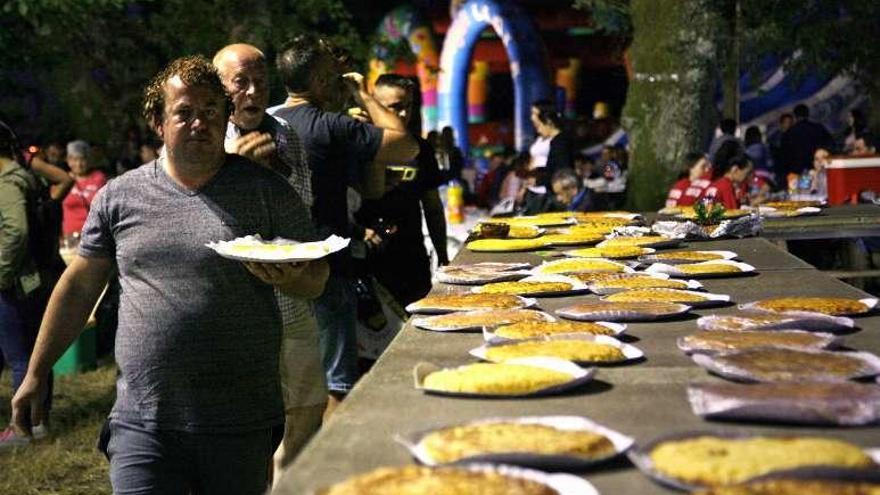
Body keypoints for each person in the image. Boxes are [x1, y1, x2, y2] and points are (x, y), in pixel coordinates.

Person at [11, 55, 329, 494]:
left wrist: (287, 277)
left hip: (241, 420)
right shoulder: (119, 197)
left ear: (226, 118)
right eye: (184, 112)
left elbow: (316, 277)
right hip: (144, 422)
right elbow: (80, 286)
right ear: (158, 123)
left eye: (211, 112)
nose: (199, 123)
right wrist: (36, 372)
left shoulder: (267, 190)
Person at [270, 35, 419, 410]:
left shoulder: (268, 122)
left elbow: (369, 190)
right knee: (337, 384)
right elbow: (405, 144)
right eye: (333, 74)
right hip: (328, 269)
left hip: (275, 269)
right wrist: (361, 92)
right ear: (320, 80)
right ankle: (326, 462)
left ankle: (289, 461)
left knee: (291, 385)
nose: (339, 79)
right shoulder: (329, 126)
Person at [213, 43, 326, 478]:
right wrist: (234, 173)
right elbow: (196, 216)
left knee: (308, 404)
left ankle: (286, 483)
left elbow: (304, 206)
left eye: (261, 80)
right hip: (234, 305)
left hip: (292, 294)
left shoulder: (285, 133)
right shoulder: (203, 141)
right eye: (241, 81)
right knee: (246, 420)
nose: (253, 91)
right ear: (220, 87)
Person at [354, 73, 448, 306]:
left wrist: (443, 255)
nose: (404, 113)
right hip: (367, 262)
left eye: (409, 106)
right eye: (395, 107)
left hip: (412, 258)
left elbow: (433, 206)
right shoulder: (354, 143)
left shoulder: (420, 148)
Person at [0, 120, 53, 448]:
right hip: (34, 278)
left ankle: (21, 429)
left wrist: (1, 273)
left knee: (20, 357)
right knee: (36, 355)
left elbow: (15, 230)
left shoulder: (6, 183)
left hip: (14, 282)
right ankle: (39, 422)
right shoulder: (25, 175)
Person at [61, 140, 107, 236]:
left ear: (88, 160)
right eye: (74, 159)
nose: (78, 164)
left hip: (95, 233)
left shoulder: (99, 178)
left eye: (82, 159)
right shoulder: (63, 179)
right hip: (70, 234)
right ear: (68, 161)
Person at [779, 103, 833, 176]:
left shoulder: (789, 133)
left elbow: (784, 156)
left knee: (803, 187)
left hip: (797, 171)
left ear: (795, 116)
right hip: (817, 169)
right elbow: (830, 145)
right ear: (808, 114)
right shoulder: (818, 128)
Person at [529, 99, 572, 184]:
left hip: (550, 190)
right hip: (536, 188)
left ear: (548, 119)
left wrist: (540, 180)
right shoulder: (542, 139)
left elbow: (561, 171)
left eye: (534, 113)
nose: (532, 118)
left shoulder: (560, 142)